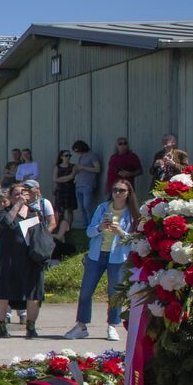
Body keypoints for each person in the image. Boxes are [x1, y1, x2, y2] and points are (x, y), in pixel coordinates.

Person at [65, 179, 139, 342]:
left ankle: (112, 325)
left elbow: (135, 240)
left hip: (118, 257)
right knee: (85, 292)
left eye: (121, 190)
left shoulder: (132, 213)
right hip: (96, 255)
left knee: (114, 294)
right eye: (115, 190)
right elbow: (89, 232)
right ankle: (81, 325)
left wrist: (121, 232)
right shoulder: (102, 208)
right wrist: (100, 227)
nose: (117, 193)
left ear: (128, 193)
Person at [0, 182, 48, 339]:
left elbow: (43, 233)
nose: (21, 196)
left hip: (32, 259)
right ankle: (1, 327)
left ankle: (31, 327)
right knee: (3, 293)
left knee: (34, 294)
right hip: (10, 260)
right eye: (16, 194)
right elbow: (6, 223)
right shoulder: (4, 213)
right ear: (10, 197)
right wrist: (17, 206)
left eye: (24, 193)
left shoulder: (35, 213)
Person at [71, 140, 100, 226]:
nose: (77, 153)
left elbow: (97, 169)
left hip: (88, 184)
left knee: (87, 205)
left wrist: (83, 167)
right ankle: (85, 224)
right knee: (82, 207)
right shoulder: (81, 157)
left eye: (78, 150)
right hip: (79, 184)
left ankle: (91, 224)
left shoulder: (92, 155)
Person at [53, 150, 77, 227]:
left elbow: (72, 176)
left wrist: (61, 179)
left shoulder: (73, 166)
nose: (68, 157)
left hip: (70, 189)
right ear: (61, 157)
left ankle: (69, 227)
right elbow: (55, 179)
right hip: (60, 190)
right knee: (59, 209)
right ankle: (59, 226)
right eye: (66, 155)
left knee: (69, 210)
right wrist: (67, 178)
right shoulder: (57, 167)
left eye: (69, 156)